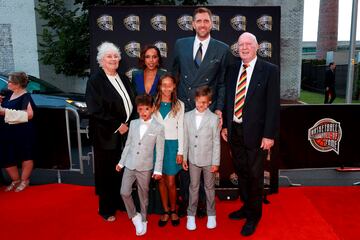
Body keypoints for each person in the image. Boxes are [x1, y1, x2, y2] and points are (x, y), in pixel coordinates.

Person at [172, 6, 230, 217]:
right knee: (186, 154)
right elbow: (173, 75)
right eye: (199, 21)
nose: (203, 24)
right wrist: (173, 105)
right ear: (193, 24)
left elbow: (222, 83)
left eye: (206, 21)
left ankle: (204, 204)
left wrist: (219, 109)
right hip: (185, 108)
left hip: (208, 110)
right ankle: (187, 201)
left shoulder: (222, 49)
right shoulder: (181, 44)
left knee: (204, 155)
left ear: (211, 23)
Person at [221, 32, 280, 236]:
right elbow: (229, 99)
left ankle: (254, 216)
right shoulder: (232, 69)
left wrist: (269, 135)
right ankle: (246, 208)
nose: (244, 47)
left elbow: (272, 105)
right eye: (241, 44)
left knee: (255, 176)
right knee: (242, 172)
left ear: (256, 47)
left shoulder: (269, 70)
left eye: (248, 44)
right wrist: (226, 126)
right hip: (235, 130)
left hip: (257, 134)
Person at [85, 42, 136, 222]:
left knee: (121, 170)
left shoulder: (123, 78)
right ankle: (106, 208)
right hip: (106, 134)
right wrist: (117, 124)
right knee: (107, 172)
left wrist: (132, 124)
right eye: (109, 56)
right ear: (101, 60)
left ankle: (120, 201)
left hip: (126, 133)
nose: (113, 59)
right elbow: (95, 109)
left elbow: (132, 103)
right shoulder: (95, 81)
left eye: (115, 56)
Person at [116, 94, 164, 236]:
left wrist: (158, 169)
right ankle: (134, 216)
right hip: (130, 164)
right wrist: (121, 162)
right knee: (124, 192)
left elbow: (160, 150)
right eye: (141, 109)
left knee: (144, 195)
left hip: (145, 167)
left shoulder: (158, 127)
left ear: (153, 109)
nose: (143, 112)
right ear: (137, 109)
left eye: (147, 109)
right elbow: (128, 145)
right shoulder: (134, 123)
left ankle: (144, 219)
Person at [182, 85, 220, 231]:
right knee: (193, 187)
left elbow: (216, 142)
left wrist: (215, 162)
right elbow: (185, 139)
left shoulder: (214, 119)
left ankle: (212, 214)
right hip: (192, 160)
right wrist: (184, 157)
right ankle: (190, 215)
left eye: (204, 102)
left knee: (209, 187)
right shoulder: (187, 116)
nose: (201, 105)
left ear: (209, 102)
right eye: (199, 101)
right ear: (195, 100)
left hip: (209, 160)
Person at [153, 73, 184, 227]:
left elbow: (181, 131)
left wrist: (181, 152)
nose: (166, 88)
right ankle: (165, 210)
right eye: (163, 85)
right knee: (161, 179)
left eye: (169, 85)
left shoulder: (179, 104)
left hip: (172, 146)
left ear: (174, 87)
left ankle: (173, 210)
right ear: (159, 86)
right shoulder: (153, 104)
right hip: (156, 146)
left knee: (171, 181)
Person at [0, 72, 36, 192]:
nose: (8, 83)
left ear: (18, 84)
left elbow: (30, 115)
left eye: (10, 82)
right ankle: (15, 180)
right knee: (7, 156)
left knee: (26, 155)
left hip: (22, 131)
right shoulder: (8, 94)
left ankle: (24, 180)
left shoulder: (26, 96)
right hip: (6, 131)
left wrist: (5, 111)